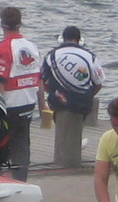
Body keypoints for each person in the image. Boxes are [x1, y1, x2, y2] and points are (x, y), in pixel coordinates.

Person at [0, 6, 44, 181]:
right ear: (20, 24)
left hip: (9, 106)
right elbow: (39, 79)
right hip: (28, 104)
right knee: (22, 146)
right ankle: (21, 182)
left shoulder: (2, 48)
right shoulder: (32, 47)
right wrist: (43, 106)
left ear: (2, 24)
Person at [41, 26, 105, 169]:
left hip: (57, 101)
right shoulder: (90, 56)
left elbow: (41, 80)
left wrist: (51, 92)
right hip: (82, 103)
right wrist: (87, 95)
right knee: (75, 121)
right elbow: (99, 83)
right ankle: (75, 144)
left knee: (62, 121)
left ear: (63, 38)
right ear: (78, 39)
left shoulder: (51, 55)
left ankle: (68, 149)